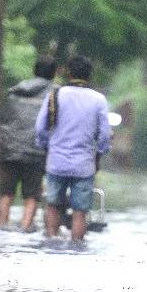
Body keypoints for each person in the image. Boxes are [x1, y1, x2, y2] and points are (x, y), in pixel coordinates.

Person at [35, 55, 112, 241]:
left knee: (53, 205)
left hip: (56, 162)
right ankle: (77, 246)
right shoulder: (98, 100)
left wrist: (48, 147)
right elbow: (104, 136)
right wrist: (98, 155)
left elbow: (40, 128)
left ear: (68, 72)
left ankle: (51, 240)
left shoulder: (54, 95)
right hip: (84, 165)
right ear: (89, 75)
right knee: (80, 211)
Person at [0, 57, 56, 230]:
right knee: (32, 196)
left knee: (6, 193)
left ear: (34, 70)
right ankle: (25, 228)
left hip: (9, 150)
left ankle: (1, 228)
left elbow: (3, 119)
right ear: (54, 73)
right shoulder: (55, 94)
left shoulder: (15, 91)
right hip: (35, 152)